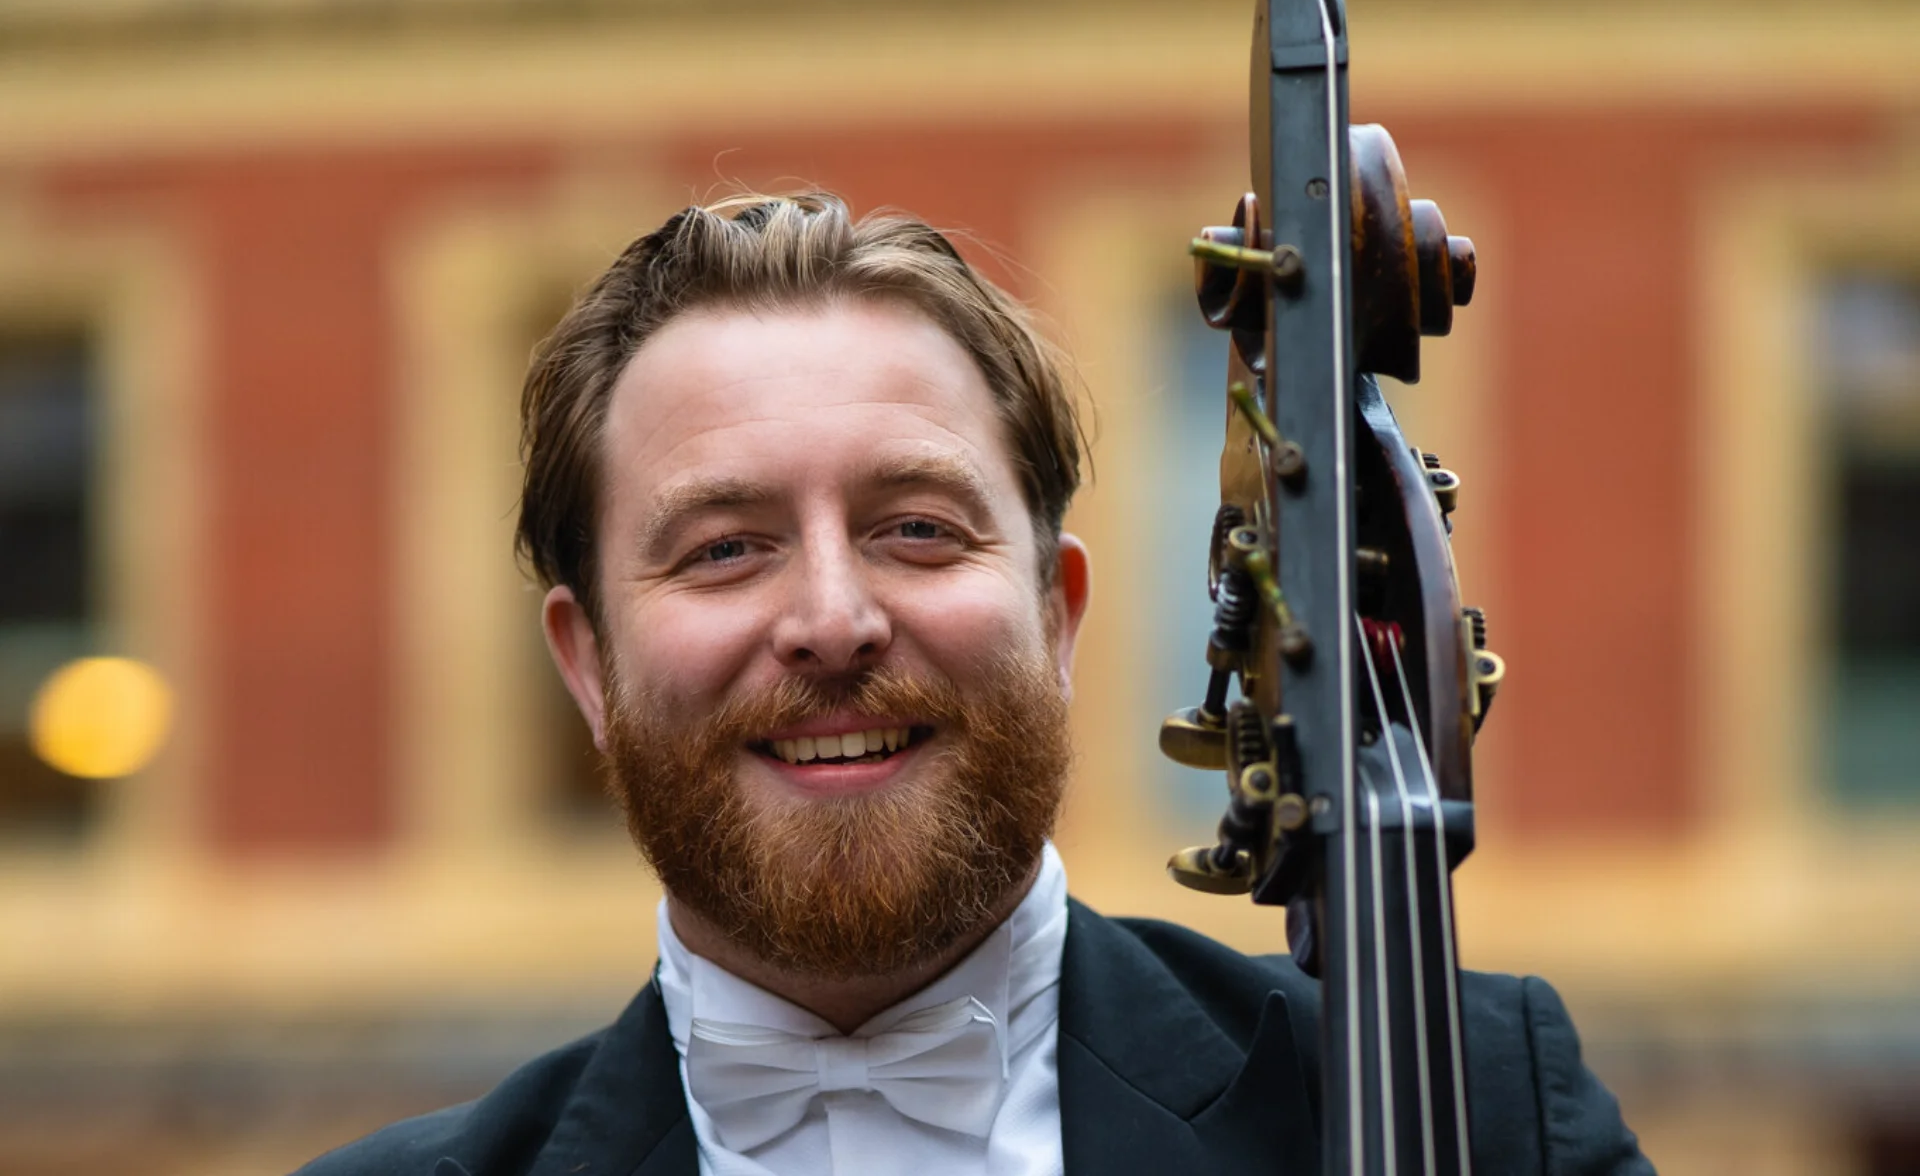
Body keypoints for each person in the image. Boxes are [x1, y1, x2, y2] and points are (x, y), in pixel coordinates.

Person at [299, 194, 1652, 1176]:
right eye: (724, 550)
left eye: (919, 529)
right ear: (586, 665)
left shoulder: (1482, 1116)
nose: (833, 621)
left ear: (1059, 614)